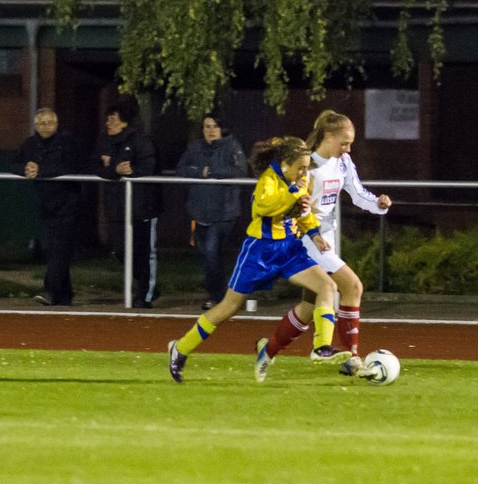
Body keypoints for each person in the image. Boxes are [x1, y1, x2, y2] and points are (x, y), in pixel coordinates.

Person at [167, 136, 352, 383]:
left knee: (327, 286)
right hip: (260, 251)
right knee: (228, 307)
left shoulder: (299, 180)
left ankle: (322, 348)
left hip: (289, 249)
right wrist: (293, 195)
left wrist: (315, 234)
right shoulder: (268, 180)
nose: (305, 172)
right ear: (286, 164)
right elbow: (264, 208)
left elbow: (302, 212)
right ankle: (180, 348)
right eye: (302, 167)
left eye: (307, 167)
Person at [254, 110, 391, 381]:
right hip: (305, 238)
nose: (348, 148)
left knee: (310, 305)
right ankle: (351, 357)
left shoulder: (343, 163)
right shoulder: (307, 165)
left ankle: (267, 351)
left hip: (326, 240)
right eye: (344, 142)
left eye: (350, 143)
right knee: (352, 286)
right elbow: (284, 201)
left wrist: (378, 204)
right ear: (328, 136)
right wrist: (300, 208)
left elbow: (357, 193)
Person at [93, 93, 161, 308]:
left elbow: (148, 168)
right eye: (108, 119)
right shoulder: (104, 143)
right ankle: (144, 285)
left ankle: (145, 294)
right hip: (116, 208)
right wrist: (114, 168)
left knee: (143, 252)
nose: (109, 123)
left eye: (113, 118)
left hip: (142, 207)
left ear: (124, 120)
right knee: (120, 250)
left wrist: (126, 170)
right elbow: (94, 167)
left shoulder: (141, 141)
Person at [176, 109, 248, 309]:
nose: (210, 130)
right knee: (206, 255)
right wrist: (201, 172)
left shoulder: (232, 146)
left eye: (214, 126)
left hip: (224, 212)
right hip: (199, 212)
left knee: (211, 251)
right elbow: (181, 168)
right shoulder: (195, 147)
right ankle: (219, 294)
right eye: (206, 126)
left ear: (222, 128)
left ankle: (219, 297)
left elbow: (240, 171)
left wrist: (213, 172)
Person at [16, 107, 85, 306]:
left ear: (56, 124)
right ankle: (64, 294)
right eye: (42, 123)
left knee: (59, 249)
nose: (46, 126)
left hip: (68, 203)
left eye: (50, 123)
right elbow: (13, 162)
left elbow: (71, 166)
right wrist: (25, 168)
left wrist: (41, 170)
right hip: (46, 205)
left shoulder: (67, 143)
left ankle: (50, 290)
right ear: (36, 125)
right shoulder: (31, 144)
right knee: (54, 248)